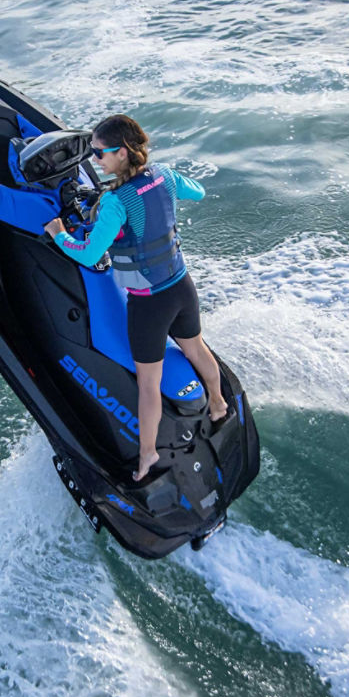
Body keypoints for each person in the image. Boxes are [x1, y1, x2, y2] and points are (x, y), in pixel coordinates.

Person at [43, 114, 229, 482]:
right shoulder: (163, 175)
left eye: (100, 153)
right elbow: (198, 191)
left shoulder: (115, 203)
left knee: (148, 384)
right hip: (181, 287)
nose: (94, 160)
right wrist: (167, 181)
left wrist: (60, 233)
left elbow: (89, 251)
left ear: (123, 153)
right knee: (196, 349)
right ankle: (219, 403)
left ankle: (147, 456)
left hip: (150, 305)